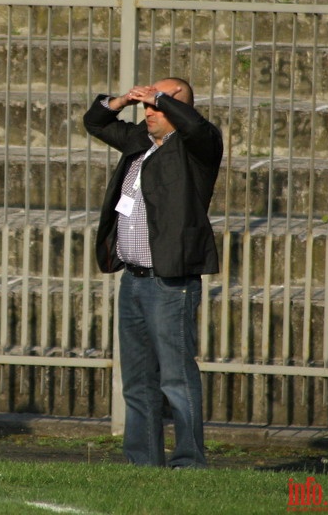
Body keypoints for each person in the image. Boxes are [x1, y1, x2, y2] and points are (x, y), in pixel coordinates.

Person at [83, 78, 223, 468]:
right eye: (145, 105)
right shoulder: (140, 143)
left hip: (170, 282)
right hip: (133, 280)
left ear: (181, 108)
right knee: (138, 381)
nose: (148, 111)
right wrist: (124, 99)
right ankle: (142, 462)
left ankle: (189, 463)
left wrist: (162, 96)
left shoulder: (198, 146)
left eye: (157, 106)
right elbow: (96, 122)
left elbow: (195, 126)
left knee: (176, 379)